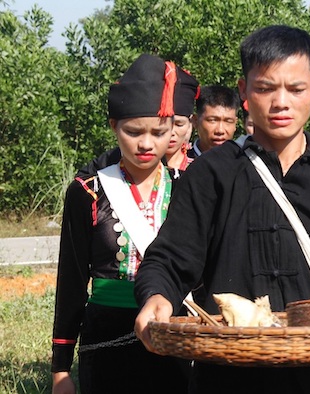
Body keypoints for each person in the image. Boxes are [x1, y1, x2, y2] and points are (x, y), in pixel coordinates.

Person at [133, 25, 310, 394]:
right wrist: (157, 297)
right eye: (265, 88)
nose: (281, 103)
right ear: (244, 91)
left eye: (295, 89)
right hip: (230, 375)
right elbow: (170, 259)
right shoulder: (212, 173)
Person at [51, 54, 199, 394]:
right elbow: (71, 280)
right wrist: (60, 368)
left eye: (159, 132)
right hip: (106, 341)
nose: (146, 144)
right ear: (113, 126)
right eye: (133, 132)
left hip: (174, 334)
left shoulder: (189, 188)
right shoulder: (87, 192)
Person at [75, 68, 200, 177]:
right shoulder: (108, 164)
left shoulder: (201, 167)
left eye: (178, 124)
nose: (172, 132)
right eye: (135, 132)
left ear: (191, 122)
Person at [187, 85, 240, 157]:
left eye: (228, 121)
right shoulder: (181, 164)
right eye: (212, 120)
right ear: (195, 121)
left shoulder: (244, 164)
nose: (220, 130)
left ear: (235, 124)